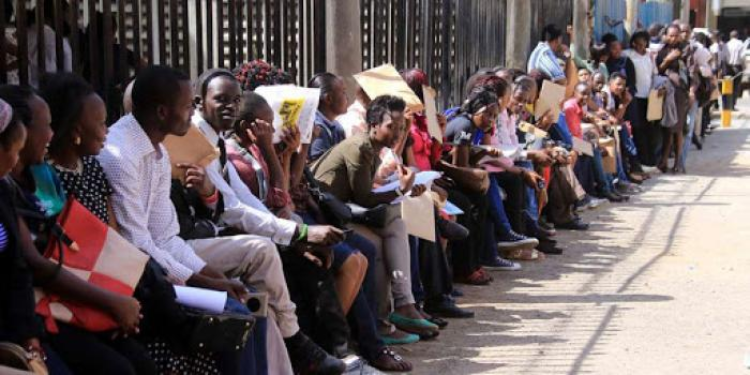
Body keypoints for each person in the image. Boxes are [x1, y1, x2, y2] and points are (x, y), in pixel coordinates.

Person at [99, 66, 345, 375]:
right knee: (235, 314)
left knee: (254, 312)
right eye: (189, 105)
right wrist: (206, 280)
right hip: (145, 283)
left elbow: (166, 236)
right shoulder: (122, 156)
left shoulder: (159, 151)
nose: (192, 114)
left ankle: (299, 350)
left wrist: (213, 275)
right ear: (162, 111)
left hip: (172, 262)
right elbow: (139, 246)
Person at [0, 83, 156, 375]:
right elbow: (30, 264)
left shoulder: (36, 179)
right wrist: (110, 301)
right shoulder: (7, 189)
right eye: (45, 127)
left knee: (139, 360)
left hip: (60, 299)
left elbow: (83, 242)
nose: (51, 134)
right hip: (34, 311)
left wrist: (112, 299)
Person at [312, 95, 441, 342]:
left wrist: (402, 187)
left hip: (345, 210)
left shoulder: (373, 148)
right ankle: (396, 311)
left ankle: (393, 314)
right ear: (373, 125)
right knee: (385, 233)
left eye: (401, 127)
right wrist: (400, 189)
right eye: (391, 126)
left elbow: (367, 190)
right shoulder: (360, 147)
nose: (397, 133)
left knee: (393, 228)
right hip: (329, 215)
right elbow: (364, 198)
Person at [656, 25, 690, 173]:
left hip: (680, 92)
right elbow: (659, 69)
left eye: (676, 35)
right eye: (670, 35)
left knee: (678, 128)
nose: (673, 38)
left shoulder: (686, 49)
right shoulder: (662, 51)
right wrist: (668, 59)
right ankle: (664, 160)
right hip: (666, 92)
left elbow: (689, 70)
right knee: (667, 128)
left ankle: (678, 163)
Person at [623, 30, 659, 167]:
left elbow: (654, 74)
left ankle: (650, 159)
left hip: (649, 97)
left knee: (649, 129)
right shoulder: (628, 55)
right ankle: (641, 159)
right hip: (635, 96)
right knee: (637, 129)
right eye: (637, 42)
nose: (640, 45)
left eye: (643, 42)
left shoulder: (650, 56)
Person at [308, 73, 348, 162]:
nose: (347, 97)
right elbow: (320, 167)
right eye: (343, 92)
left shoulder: (336, 126)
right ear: (328, 99)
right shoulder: (318, 128)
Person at [726, 30, 746, 110]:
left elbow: (724, 57)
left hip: (728, 67)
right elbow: (742, 57)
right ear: (737, 36)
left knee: (728, 86)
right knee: (736, 87)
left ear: (730, 36)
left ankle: (727, 105)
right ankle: (733, 104)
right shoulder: (740, 44)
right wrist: (744, 67)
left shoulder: (727, 44)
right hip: (737, 67)